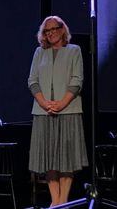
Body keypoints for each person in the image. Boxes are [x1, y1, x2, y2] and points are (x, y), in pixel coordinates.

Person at [28, 16, 89, 207]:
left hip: (68, 110)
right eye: (47, 31)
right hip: (43, 111)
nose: (50, 33)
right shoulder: (39, 52)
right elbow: (32, 81)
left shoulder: (74, 51)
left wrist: (62, 103)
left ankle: (63, 202)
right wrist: (44, 103)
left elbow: (77, 80)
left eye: (54, 29)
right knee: (49, 159)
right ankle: (55, 202)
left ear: (63, 30)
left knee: (66, 159)